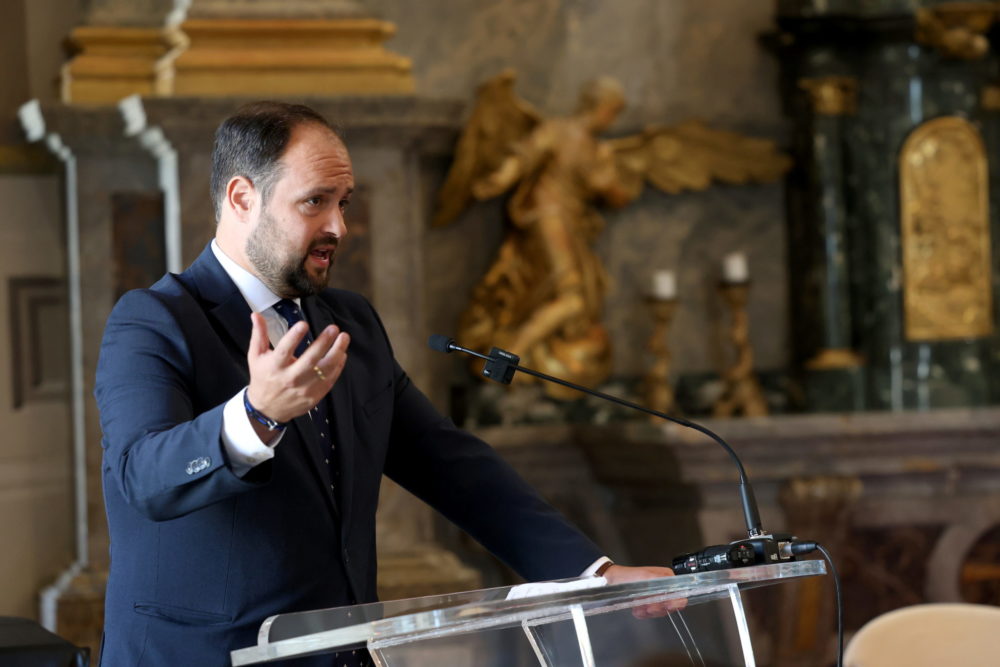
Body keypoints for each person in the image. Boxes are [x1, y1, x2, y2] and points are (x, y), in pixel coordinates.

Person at [95, 101, 674, 667]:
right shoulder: (154, 321)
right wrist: (255, 415)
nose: (339, 227)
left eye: (344, 202)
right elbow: (142, 478)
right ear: (243, 198)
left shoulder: (352, 323)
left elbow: (449, 464)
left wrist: (593, 572)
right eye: (315, 202)